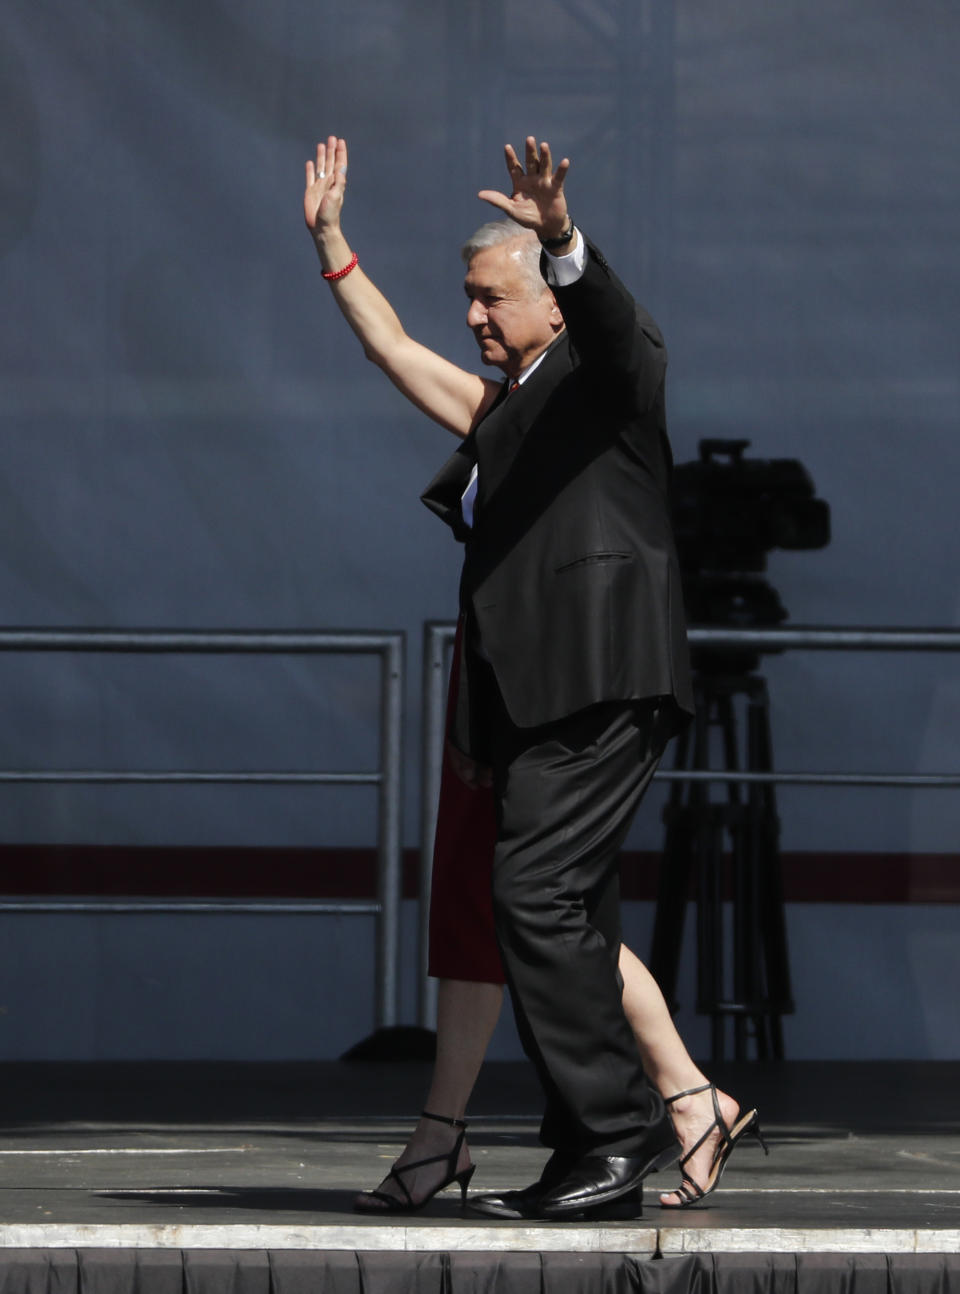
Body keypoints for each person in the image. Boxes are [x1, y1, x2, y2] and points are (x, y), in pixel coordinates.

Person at [304, 135, 764, 1220]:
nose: (473, 316)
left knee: (533, 898)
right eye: (466, 299)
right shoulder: (508, 413)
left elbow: (605, 313)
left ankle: (617, 1131)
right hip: (533, 697)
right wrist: (331, 243)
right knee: (561, 914)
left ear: (549, 302)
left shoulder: (610, 373)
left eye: (490, 298)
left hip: (598, 683)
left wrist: (559, 235)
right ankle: (604, 1143)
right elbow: (395, 352)